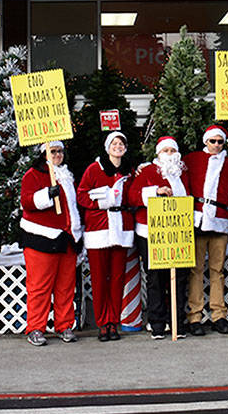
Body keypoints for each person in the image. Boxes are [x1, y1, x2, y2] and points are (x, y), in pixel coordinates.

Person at [18, 140, 83, 347]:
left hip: (67, 238)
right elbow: (26, 201)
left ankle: (65, 325)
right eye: (53, 151)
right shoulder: (33, 175)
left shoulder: (66, 175)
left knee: (66, 287)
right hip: (41, 238)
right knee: (39, 287)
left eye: (60, 151)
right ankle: (36, 327)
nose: (57, 155)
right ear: (44, 153)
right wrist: (47, 195)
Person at [127, 135, 190, 340]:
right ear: (158, 153)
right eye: (166, 151)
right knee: (155, 278)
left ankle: (177, 322)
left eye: (172, 151)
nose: (169, 155)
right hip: (151, 231)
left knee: (179, 278)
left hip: (179, 233)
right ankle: (157, 323)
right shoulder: (147, 171)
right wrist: (155, 191)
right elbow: (132, 196)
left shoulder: (183, 173)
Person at [76, 130, 135, 342]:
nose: (118, 147)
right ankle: (103, 323)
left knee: (118, 279)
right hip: (99, 231)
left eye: (121, 143)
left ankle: (114, 321)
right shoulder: (94, 169)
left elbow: (134, 194)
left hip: (121, 229)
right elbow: (81, 195)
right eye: (114, 143)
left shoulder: (130, 171)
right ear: (108, 147)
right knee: (100, 279)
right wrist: (103, 201)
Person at [183, 124, 228, 336]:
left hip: (220, 219)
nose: (216, 145)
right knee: (195, 269)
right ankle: (195, 316)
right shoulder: (191, 159)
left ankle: (218, 314)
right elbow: (168, 170)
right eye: (212, 140)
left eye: (220, 141)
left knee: (217, 270)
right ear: (205, 140)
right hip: (197, 218)